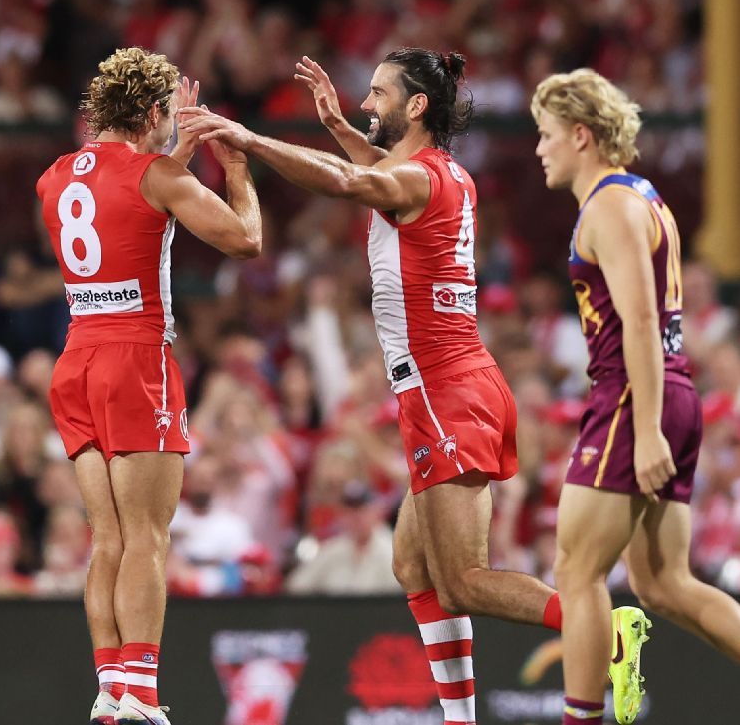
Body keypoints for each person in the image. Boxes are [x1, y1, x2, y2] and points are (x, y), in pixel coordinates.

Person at [181, 48, 633, 725]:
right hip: (451, 384)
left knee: (462, 578)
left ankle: (603, 627)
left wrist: (247, 138)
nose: (367, 105)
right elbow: (370, 171)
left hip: (444, 389)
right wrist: (335, 125)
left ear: (416, 105)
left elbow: (346, 183)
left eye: (378, 94)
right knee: (413, 565)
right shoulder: (444, 175)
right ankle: (460, 718)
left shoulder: (416, 181)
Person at [532, 68, 740, 725]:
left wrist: (644, 428)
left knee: (577, 570)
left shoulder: (610, 207)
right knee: (660, 582)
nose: (540, 148)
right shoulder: (643, 197)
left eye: (548, 135)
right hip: (668, 391)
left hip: (632, 397)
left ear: (582, 136)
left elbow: (641, 321)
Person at [35, 47, 261, 725]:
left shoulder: (52, 177)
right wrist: (235, 164)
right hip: (136, 359)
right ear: (157, 111)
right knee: (147, 536)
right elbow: (244, 238)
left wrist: (174, 161)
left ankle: (109, 688)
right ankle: (138, 691)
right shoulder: (158, 173)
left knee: (107, 537)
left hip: (75, 357)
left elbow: (118, 208)